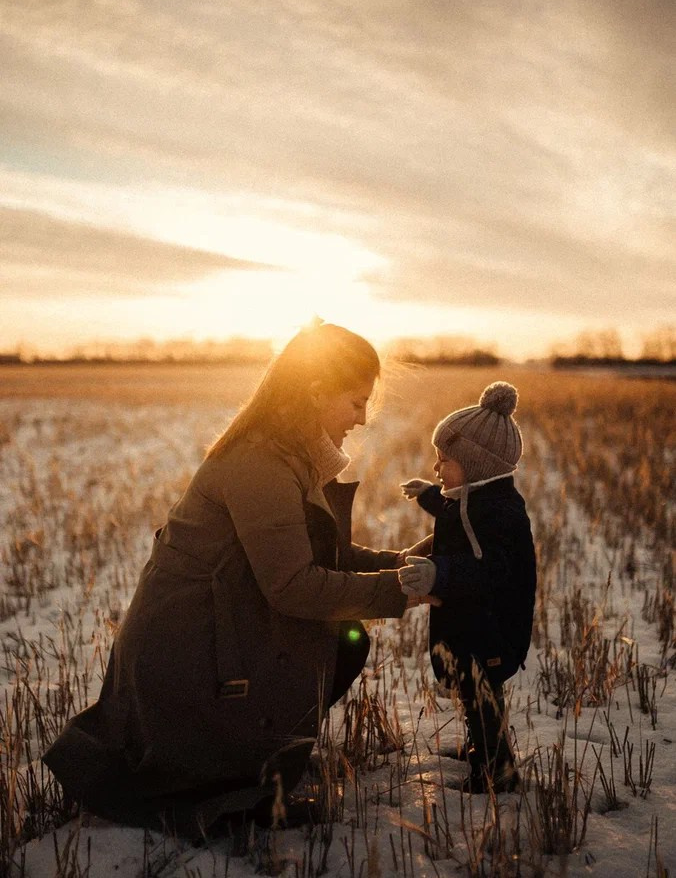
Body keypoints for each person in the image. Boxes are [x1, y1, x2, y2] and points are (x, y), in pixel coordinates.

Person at [42, 321, 433, 837]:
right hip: (189, 655)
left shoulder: (287, 455)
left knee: (343, 636)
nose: (362, 420)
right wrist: (406, 589)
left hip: (220, 631)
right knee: (335, 633)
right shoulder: (261, 462)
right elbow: (292, 585)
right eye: (355, 402)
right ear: (316, 392)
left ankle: (242, 764)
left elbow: (324, 557)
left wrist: (402, 564)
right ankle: (223, 778)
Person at [397, 381, 536, 794]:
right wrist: (428, 496)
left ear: (475, 465)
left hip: (494, 628)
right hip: (474, 624)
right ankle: (484, 746)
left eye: (445, 461)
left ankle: (497, 770)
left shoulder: (500, 513)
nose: (437, 470)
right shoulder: (479, 497)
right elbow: (454, 513)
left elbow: (490, 570)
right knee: (472, 692)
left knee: (482, 696)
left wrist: (440, 574)